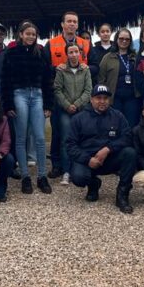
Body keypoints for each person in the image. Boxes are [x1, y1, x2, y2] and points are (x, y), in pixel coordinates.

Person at [65, 84, 137, 213]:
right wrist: (87, 160)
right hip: (88, 161)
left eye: (105, 98)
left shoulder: (118, 116)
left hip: (110, 159)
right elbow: (70, 145)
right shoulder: (79, 119)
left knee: (130, 153)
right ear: (91, 99)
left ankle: (122, 195)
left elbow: (127, 137)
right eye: (98, 98)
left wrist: (108, 148)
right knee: (78, 177)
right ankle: (93, 185)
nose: (102, 101)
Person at [2, 21, 53, 194]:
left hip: (37, 94)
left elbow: (48, 79)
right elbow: (5, 80)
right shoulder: (11, 52)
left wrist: (48, 104)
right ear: (21, 34)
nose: (31, 36)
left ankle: (41, 176)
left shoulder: (41, 52)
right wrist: (8, 104)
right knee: (21, 137)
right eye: (28, 33)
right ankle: (25, 176)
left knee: (39, 137)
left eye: (33, 34)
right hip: (19, 94)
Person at [47, 12, 91, 177]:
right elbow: (45, 68)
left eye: (75, 22)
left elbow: (94, 66)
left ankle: (79, 165)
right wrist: (54, 69)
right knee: (58, 132)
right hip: (59, 98)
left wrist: (87, 68)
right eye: (69, 21)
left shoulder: (85, 44)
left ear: (77, 25)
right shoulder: (51, 44)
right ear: (62, 24)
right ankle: (58, 165)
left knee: (81, 133)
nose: (72, 24)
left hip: (80, 97)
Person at [53, 42, 92, 185]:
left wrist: (77, 104)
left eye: (76, 52)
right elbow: (57, 89)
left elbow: (88, 90)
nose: (74, 55)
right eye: (71, 52)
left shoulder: (85, 69)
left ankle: (81, 168)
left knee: (82, 140)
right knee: (66, 140)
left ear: (80, 53)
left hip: (82, 110)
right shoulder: (61, 70)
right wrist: (67, 105)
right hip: (65, 110)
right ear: (67, 54)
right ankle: (66, 171)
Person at [98, 28, 142, 123]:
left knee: (131, 125)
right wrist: (104, 97)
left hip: (132, 98)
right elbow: (101, 79)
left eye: (127, 39)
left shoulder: (135, 56)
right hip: (114, 98)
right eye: (121, 38)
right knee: (114, 125)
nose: (124, 41)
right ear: (116, 39)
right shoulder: (108, 57)